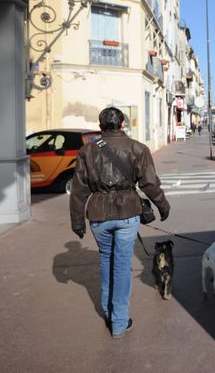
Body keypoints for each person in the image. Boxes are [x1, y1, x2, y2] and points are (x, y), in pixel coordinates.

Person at [69, 107, 170, 339]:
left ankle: (108, 311)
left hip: (98, 214)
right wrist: (163, 206)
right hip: (127, 212)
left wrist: (77, 221)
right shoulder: (137, 148)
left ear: (101, 125)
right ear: (122, 124)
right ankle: (119, 322)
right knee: (122, 266)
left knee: (106, 260)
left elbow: (78, 189)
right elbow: (150, 183)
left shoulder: (87, 150)